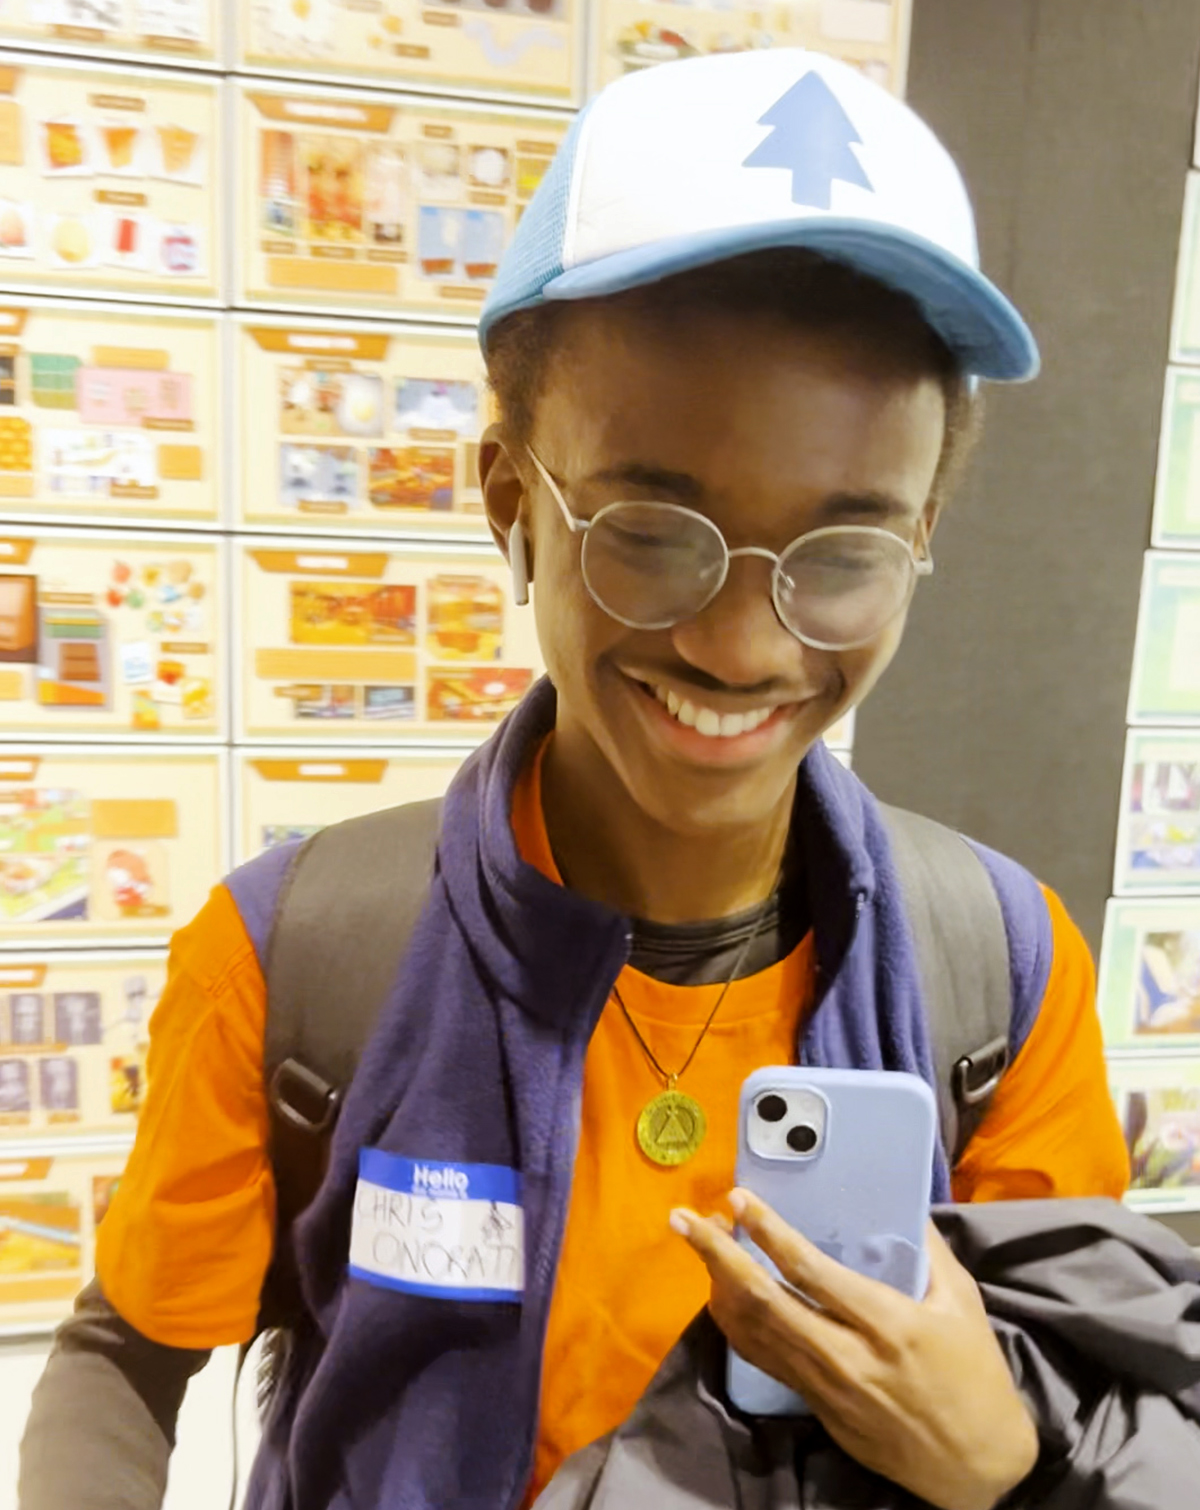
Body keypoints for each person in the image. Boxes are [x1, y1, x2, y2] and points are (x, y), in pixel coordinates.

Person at [21, 47, 1129, 1510]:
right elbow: (127, 1355)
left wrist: (1003, 1460)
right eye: (655, 530)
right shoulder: (297, 959)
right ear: (510, 503)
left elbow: (1093, 1400)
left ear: (922, 533)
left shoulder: (1005, 976)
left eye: (844, 551)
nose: (739, 642)